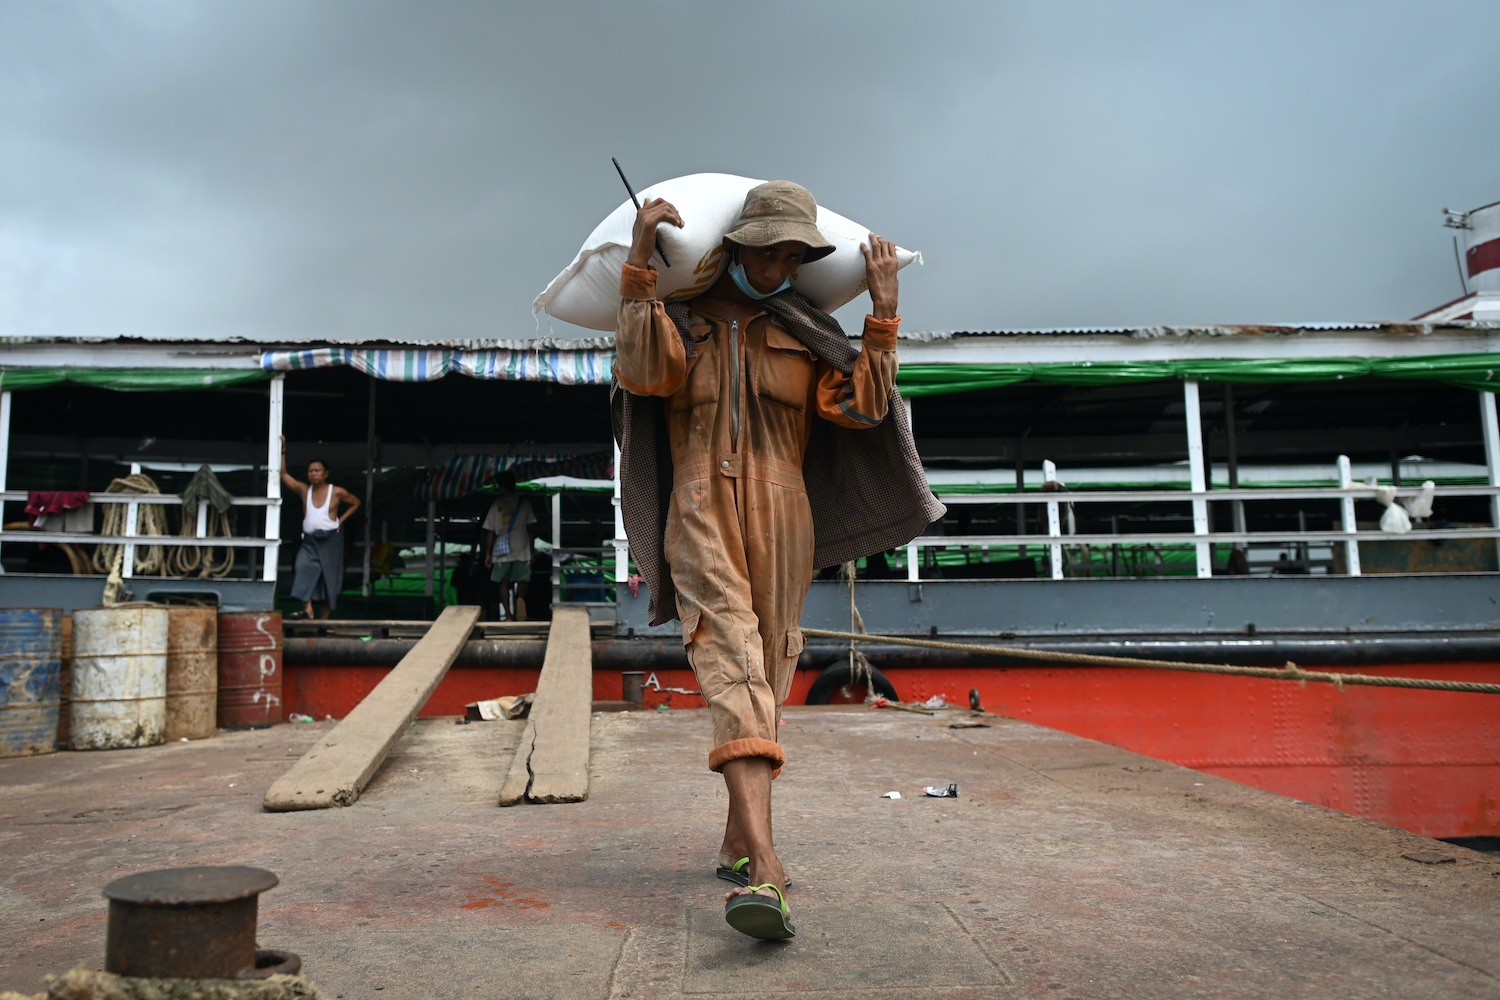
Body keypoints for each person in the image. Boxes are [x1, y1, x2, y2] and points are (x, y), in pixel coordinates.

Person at [612, 181, 943, 940]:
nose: (781, 264)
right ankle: (767, 865)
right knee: (727, 656)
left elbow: (863, 407)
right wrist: (638, 262)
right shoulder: (679, 324)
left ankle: (736, 837)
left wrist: (882, 317)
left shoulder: (807, 328)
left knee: (771, 662)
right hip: (697, 506)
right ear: (738, 245)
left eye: (796, 253)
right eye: (770, 250)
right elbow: (640, 373)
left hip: (785, 511)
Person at [280, 437, 361, 620]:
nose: (313, 474)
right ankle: (308, 612)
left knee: (328, 580)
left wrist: (340, 521)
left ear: (326, 474)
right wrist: (283, 450)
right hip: (309, 541)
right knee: (302, 567)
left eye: (317, 471)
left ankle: (323, 622)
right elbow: (284, 475)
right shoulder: (304, 490)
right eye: (310, 471)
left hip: (330, 541)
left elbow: (356, 503)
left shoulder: (337, 491)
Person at [481, 472, 537, 621]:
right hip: (522, 548)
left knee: (503, 582)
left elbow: (490, 532)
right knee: (523, 579)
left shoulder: (496, 505)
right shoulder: (524, 504)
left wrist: (487, 553)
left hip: (501, 551)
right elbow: (531, 531)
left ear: (502, 487)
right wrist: (532, 552)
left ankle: (508, 615)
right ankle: (521, 598)